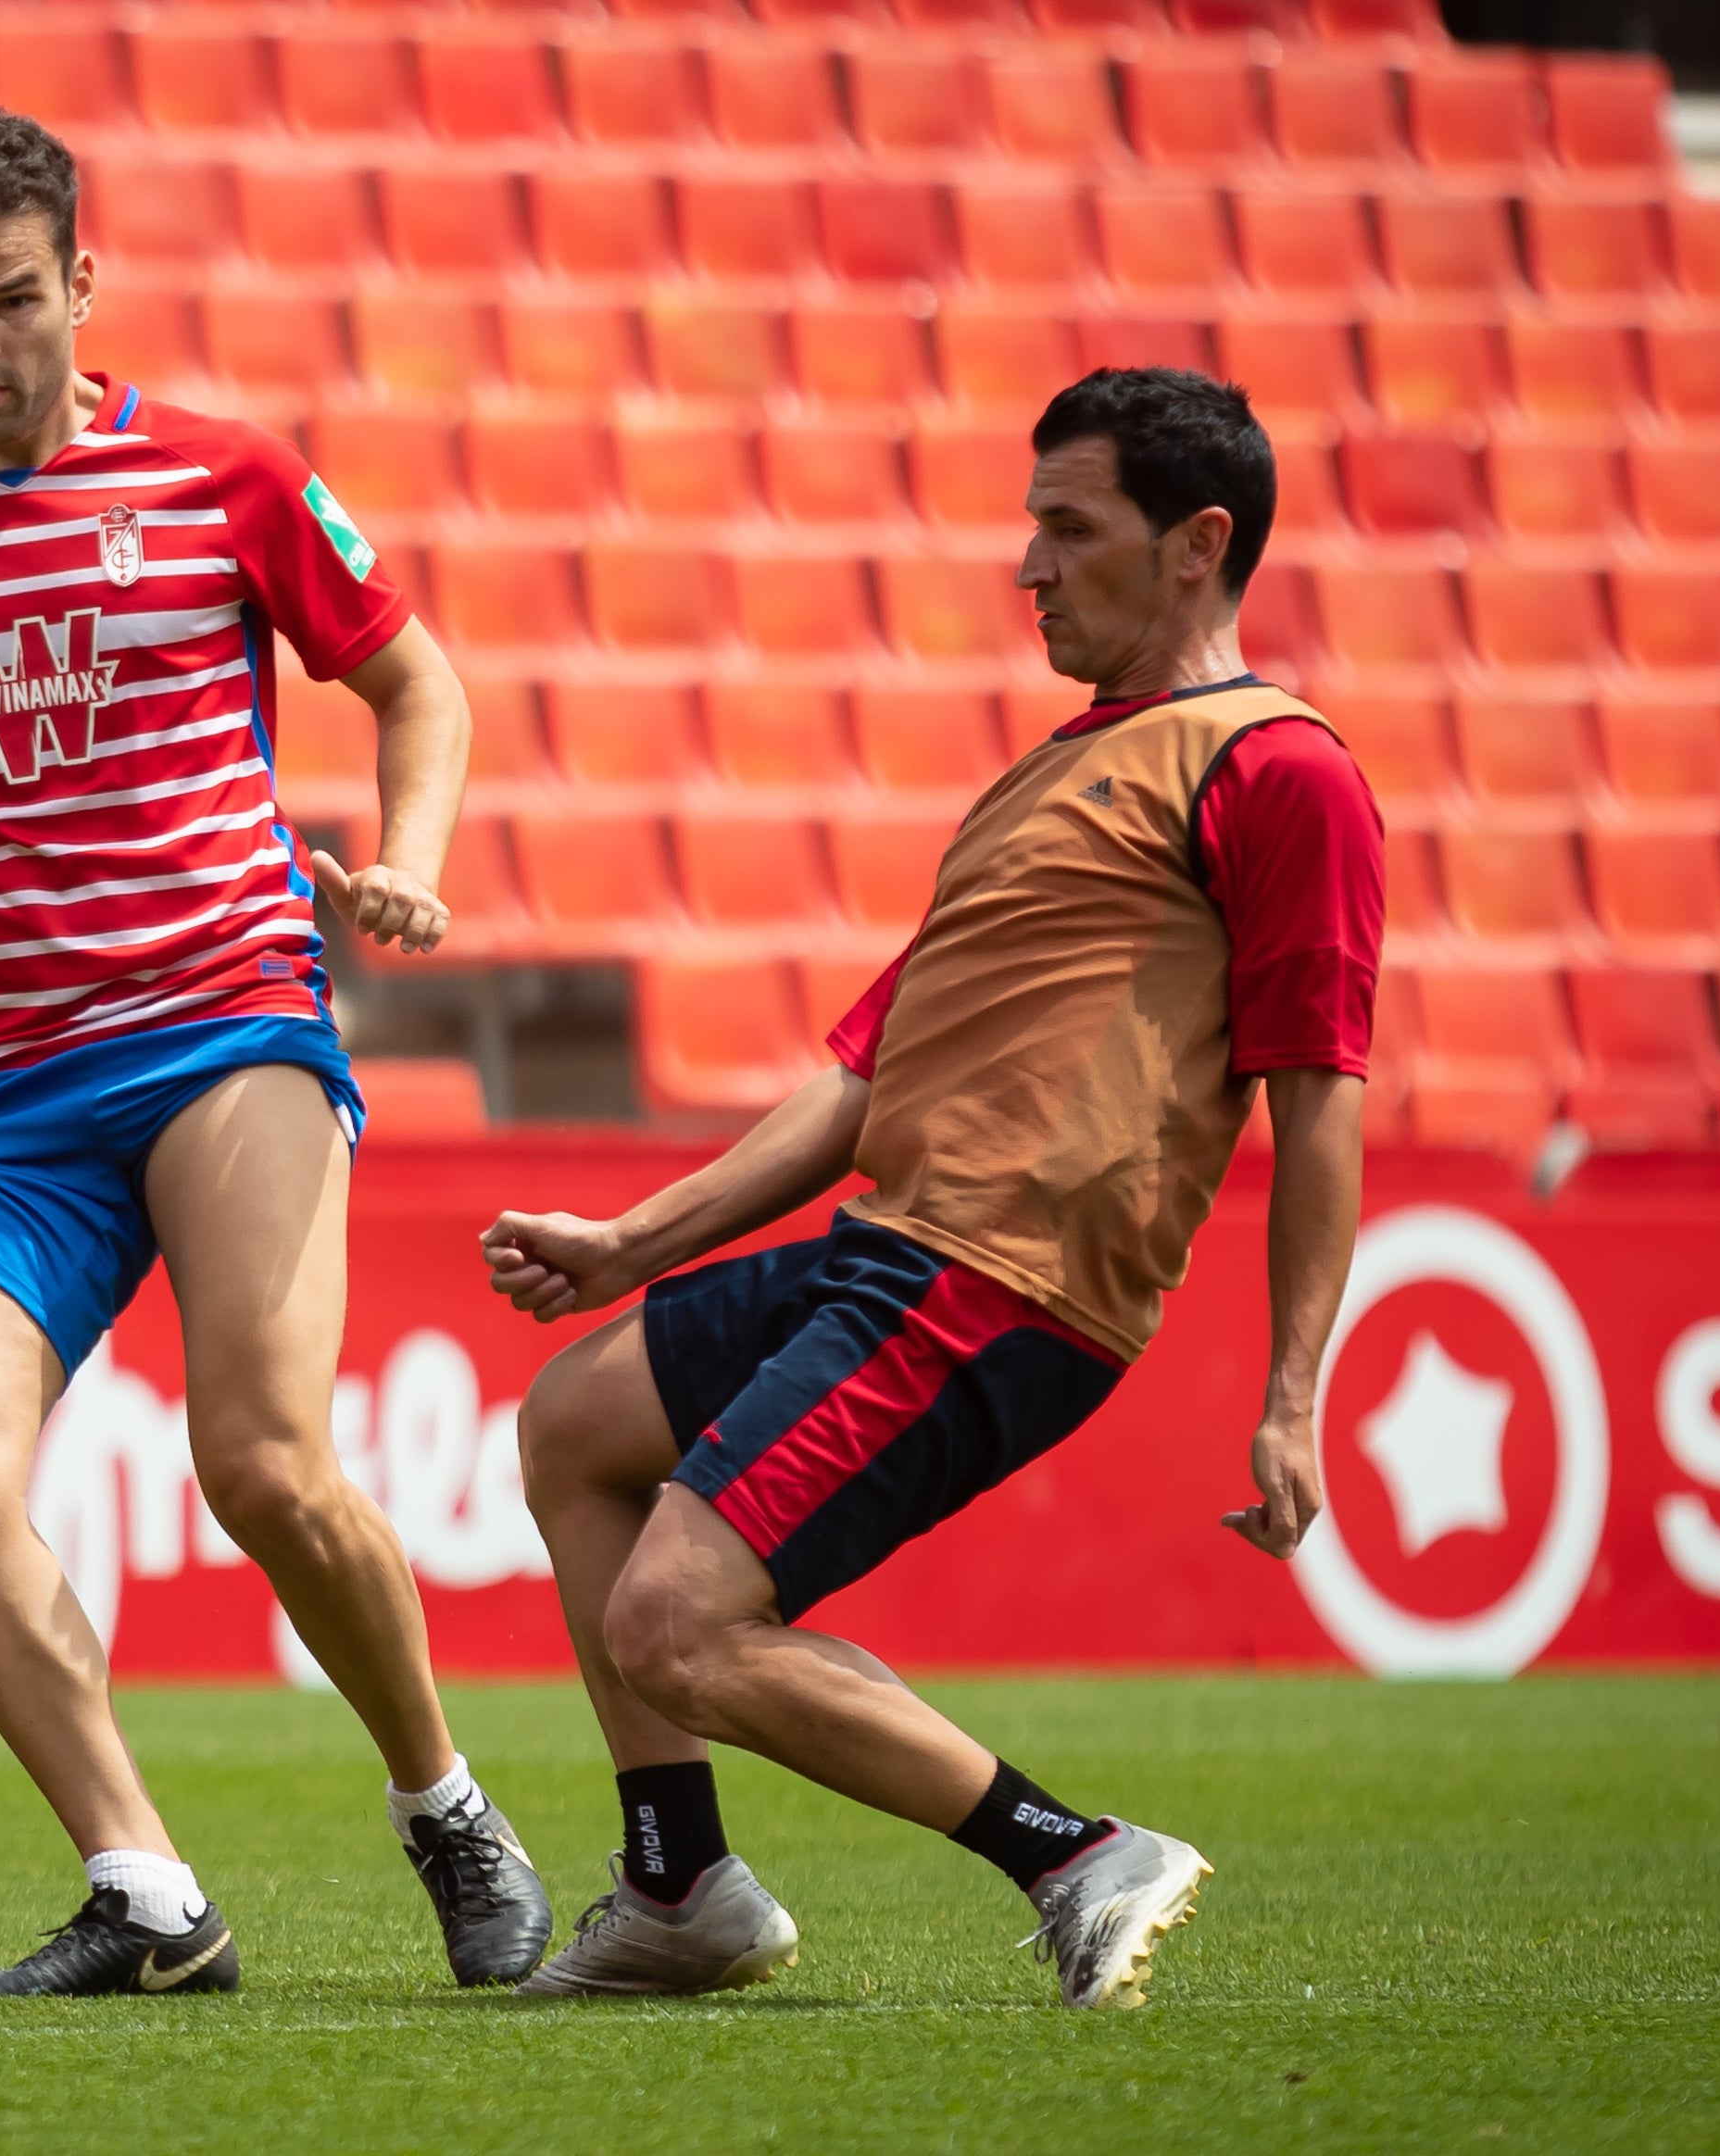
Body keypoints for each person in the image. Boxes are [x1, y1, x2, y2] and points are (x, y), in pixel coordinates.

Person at [488, 368, 1385, 2008]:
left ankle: (1073, 1854)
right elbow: (856, 1081)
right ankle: (681, 1887)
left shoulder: (1281, 770)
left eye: (1068, 527)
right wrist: (631, 1245)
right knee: (569, 1430)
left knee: (677, 1625)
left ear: (1197, 545)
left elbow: (1318, 1098)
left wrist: (1293, 1392)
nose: (1029, 566)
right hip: (886, 1249)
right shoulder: (1049, 779)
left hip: (1002, 1281)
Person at [0, 109, 552, 1996]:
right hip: (12, 1094)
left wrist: (412, 863)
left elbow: (414, 677)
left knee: (265, 1466)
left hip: (226, 1024)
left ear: (83, 284)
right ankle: (144, 1892)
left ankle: (442, 1800)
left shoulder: (223, 479)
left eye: (14, 302)